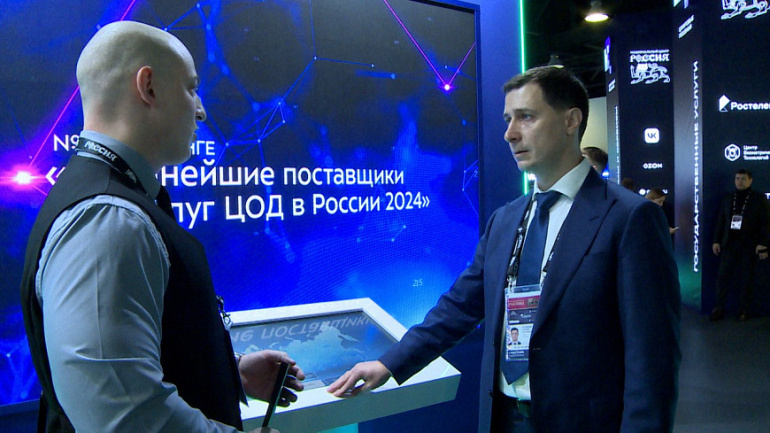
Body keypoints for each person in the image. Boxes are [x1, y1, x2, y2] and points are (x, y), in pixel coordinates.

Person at [328, 66, 681, 433]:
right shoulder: (505, 220)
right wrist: (389, 363)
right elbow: (460, 306)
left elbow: (653, 356)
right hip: (504, 418)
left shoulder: (629, 218)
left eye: (526, 117)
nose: (510, 133)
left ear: (571, 121)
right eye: (508, 119)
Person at [20, 21, 305, 433]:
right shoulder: (109, 220)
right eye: (191, 88)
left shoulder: (114, 205)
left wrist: (230, 372)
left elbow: (124, 367)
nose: (201, 110)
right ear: (148, 87)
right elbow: (123, 416)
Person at [710, 169, 769, 322]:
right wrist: (716, 240)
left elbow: (766, 223)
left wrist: (763, 244)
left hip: (749, 245)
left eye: (743, 179)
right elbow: (721, 220)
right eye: (737, 178)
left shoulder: (759, 198)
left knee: (746, 279)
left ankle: (743, 310)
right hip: (729, 244)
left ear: (750, 180)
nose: (740, 182)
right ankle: (718, 308)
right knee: (722, 277)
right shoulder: (729, 197)